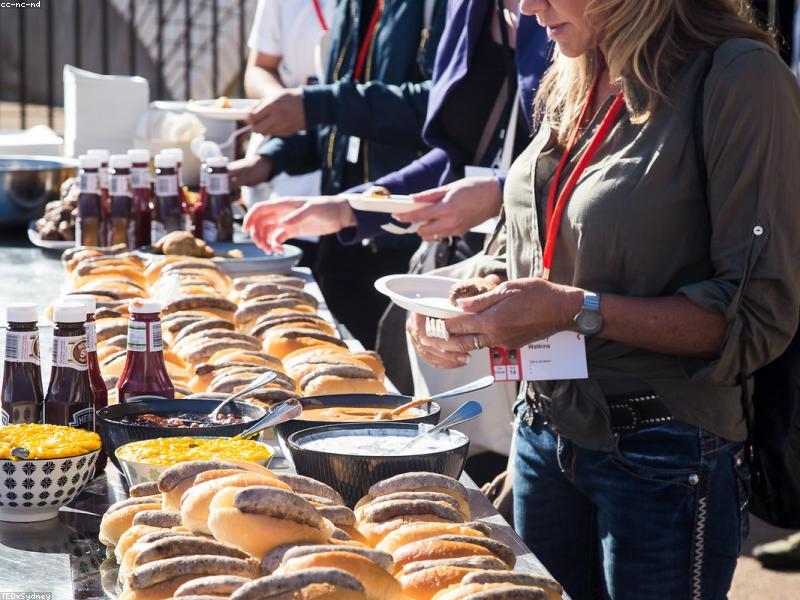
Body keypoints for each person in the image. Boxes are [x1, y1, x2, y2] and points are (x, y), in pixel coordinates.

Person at [409, 0, 800, 598]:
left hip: (663, 458)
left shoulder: (741, 76)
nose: (524, 6)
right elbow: (541, 233)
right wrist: (470, 299)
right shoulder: (579, 63)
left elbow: (753, 317)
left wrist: (572, 309)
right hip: (542, 433)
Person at [242, 0, 551, 485]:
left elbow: (580, 161)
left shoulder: (567, 20)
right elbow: (453, 156)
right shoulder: (468, 10)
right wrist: (350, 207)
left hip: (551, 296)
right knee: (462, 475)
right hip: (469, 275)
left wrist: (496, 195)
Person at [231, 0, 446, 349]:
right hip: (342, 237)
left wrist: (317, 104)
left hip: (403, 242)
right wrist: (267, 162)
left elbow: (438, 108)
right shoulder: (351, 7)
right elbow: (339, 126)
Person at [242, 0, 337, 265]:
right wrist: (284, 105)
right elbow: (259, 67)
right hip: (287, 173)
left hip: (356, 180)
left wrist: (308, 107)